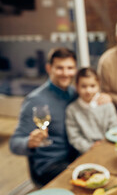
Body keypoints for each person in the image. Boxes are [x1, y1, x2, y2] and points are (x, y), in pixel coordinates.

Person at [9, 47, 111, 187]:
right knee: (93, 182)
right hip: (50, 165)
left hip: (77, 156)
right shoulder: (34, 100)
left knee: (108, 173)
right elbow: (14, 143)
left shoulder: (75, 92)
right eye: (60, 68)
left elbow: (91, 97)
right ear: (49, 68)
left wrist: (103, 97)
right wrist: (29, 142)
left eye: (70, 68)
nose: (65, 73)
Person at [66, 68, 117, 154]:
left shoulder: (106, 104)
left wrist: (106, 143)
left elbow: (114, 127)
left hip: (109, 145)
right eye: (83, 86)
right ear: (76, 86)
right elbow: (74, 137)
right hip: (87, 151)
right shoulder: (72, 110)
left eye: (92, 86)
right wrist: (90, 146)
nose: (88, 90)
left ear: (98, 85)